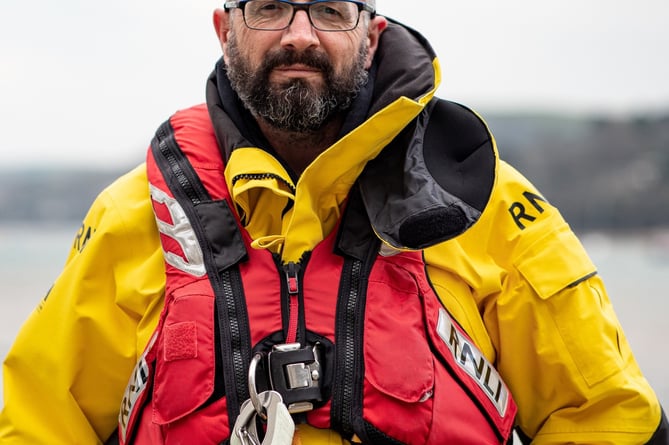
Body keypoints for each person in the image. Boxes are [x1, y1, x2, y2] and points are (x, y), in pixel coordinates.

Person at [1, 0, 667, 443]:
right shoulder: (131, 217)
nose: (298, 34)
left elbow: (607, 417)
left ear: (371, 34)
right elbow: (35, 423)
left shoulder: (483, 205)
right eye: (268, 7)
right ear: (223, 28)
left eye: (328, 9)